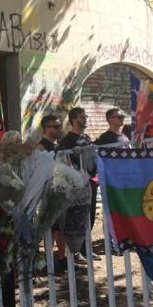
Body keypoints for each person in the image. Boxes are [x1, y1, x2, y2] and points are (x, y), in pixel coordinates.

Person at [57, 107, 98, 268]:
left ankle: (86, 249)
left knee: (90, 217)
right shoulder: (67, 140)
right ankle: (75, 251)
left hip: (90, 183)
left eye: (85, 116)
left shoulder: (86, 138)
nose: (84, 119)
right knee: (76, 218)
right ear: (73, 120)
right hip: (76, 186)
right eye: (81, 116)